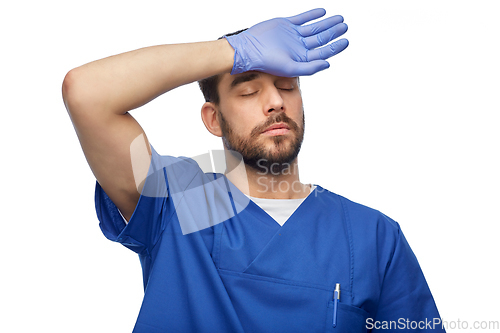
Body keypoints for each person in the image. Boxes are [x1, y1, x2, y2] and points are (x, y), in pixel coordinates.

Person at [62, 8, 445, 332]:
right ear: (213, 119)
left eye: (287, 85)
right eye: (248, 90)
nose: (275, 101)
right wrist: (233, 51)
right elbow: (86, 92)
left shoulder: (373, 236)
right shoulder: (176, 203)